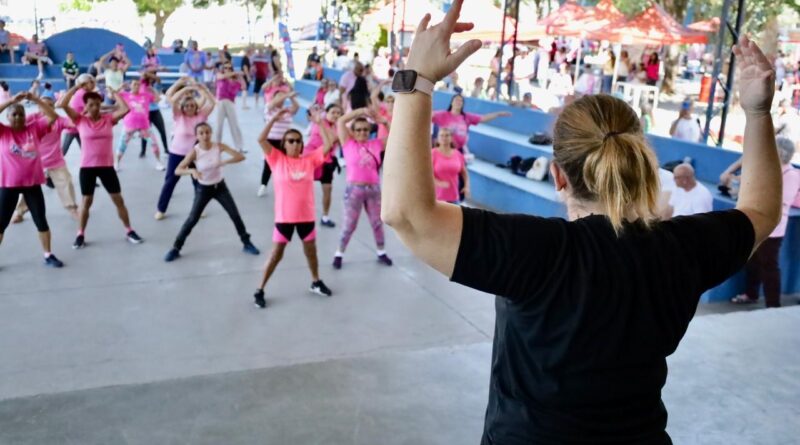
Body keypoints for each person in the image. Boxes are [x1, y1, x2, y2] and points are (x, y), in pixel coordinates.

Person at [381, 6, 781, 442]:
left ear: (559, 176)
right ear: (640, 167)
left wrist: (415, 80)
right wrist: (758, 113)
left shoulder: (537, 252)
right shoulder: (683, 248)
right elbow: (761, 210)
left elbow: (407, 214)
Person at [252, 108, 335, 308]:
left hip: (306, 217)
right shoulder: (277, 159)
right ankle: (260, 289)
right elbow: (261, 139)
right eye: (290, 140)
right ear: (284, 144)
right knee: (276, 255)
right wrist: (273, 118)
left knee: (311, 252)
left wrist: (319, 121)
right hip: (284, 218)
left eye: (298, 140)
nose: (295, 143)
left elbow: (329, 143)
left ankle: (315, 281)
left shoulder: (309, 160)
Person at [60, 85, 144, 249]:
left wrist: (114, 93)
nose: (94, 107)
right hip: (87, 167)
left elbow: (125, 108)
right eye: (90, 104)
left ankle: (129, 230)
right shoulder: (80, 120)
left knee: (118, 200)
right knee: (86, 202)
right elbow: (63, 104)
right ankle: (80, 234)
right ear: (85, 106)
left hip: (106, 167)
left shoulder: (108, 119)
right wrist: (76, 88)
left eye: (97, 104)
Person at [164, 123, 259, 262]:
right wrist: (192, 171)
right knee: (192, 219)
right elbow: (177, 170)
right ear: (197, 136)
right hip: (203, 189)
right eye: (201, 133)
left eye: (207, 132)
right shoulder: (195, 151)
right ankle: (176, 248)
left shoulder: (219, 146)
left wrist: (225, 161)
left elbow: (240, 157)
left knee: (235, 215)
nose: (205, 135)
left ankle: (247, 243)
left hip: (220, 187)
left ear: (211, 133)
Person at [731, 137, 800, 307]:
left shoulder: (791, 175)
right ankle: (751, 294)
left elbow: (781, 200)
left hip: (773, 229)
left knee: (769, 266)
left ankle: (773, 304)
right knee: (752, 262)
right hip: (755, 223)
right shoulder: (769, 169)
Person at [0, 92, 64, 268]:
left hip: (32, 185)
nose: (19, 117)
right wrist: (11, 101)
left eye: (21, 114)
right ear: (8, 117)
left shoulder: (34, 128)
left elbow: (53, 116)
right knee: (1, 223)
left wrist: (35, 100)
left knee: (40, 220)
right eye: (14, 114)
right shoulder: (3, 132)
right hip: (8, 185)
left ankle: (48, 255)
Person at [333, 107, 393, 269]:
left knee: (377, 223)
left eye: (365, 130)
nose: (362, 132)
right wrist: (360, 112)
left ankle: (381, 251)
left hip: (373, 190)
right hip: (354, 190)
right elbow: (341, 121)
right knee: (349, 225)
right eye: (358, 130)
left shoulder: (376, 144)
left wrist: (384, 122)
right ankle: (339, 253)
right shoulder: (347, 143)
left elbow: (395, 138)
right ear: (352, 131)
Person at [12, 94, 79, 223]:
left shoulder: (59, 120)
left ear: (53, 107)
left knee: (66, 183)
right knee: (27, 189)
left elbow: (73, 123)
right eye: (43, 105)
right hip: (34, 162)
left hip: (55, 161)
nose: (46, 108)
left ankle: (72, 209)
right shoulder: (32, 119)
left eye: (50, 105)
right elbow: (17, 128)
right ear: (38, 107)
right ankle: (20, 212)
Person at [155, 78, 216, 220]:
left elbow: (212, 103)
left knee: (198, 182)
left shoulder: (201, 116)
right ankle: (161, 209)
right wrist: (186, 89)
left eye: (192, 105)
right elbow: (173, 100)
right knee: (170, 181)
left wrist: (202, 90)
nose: (189, 108)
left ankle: (199, 208)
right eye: (187, 106)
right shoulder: (178, 116)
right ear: (183, 108)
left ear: (196, 106)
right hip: (176, 153)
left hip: (194, 154)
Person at [431, 94, 510, 155]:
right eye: (456, 100)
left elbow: (483, 118)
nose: (458, 102)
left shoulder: (466, 117)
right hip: (445, 148)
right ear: (451, 102)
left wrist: (498, 114)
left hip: (459, 150)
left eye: (461, 101)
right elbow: (429, 115)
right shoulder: (443, 114)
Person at [258, 77, 298, 197]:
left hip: (284, 141)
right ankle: (263, 185)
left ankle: (287, 185)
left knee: (286, 163)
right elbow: (274, 103)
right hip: (270, 140)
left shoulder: (287, 110)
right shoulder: (269, 108)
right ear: (273, 98)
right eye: (278, 96)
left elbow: (296, 107)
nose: (281, 99)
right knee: (268, 164)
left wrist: (291, 97)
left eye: (282, 97)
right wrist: (286, 94)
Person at [306, 103, 343, 227]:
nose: (336, 115)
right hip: (311, 158)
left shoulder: (338, 126)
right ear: (326, 113)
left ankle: (325, 217)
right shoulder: (319, 123)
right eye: (333, 112)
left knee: (328, 189)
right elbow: (332, 139)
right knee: (303, 187)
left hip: (327, 161)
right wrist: (320, 122)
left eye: (339, 113)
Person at [115, 79, 164, 171]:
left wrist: (152, 90)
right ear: (130, 86)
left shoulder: (146, 95)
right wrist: (120, 87)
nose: (136, 86)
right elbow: (112, 95)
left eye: (138, 84)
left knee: (154, 144)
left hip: (144, 125)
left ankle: (159, 163)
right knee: (122, 144)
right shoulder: (125, 95)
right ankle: (116, 163)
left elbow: (158, 99)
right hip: (129, 124)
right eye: (134, 84)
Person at [214, 62, 246, 153]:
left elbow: (243, 86)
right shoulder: (220, 76)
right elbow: (221, 76)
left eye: (229, 68)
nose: (227, 69)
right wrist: (236, 73)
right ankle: (217, 146)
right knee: (219, 125)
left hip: (230, 103)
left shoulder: (235, 80)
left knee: (234, 125)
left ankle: (239, 146)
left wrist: (240, 76)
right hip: (220, 102)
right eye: (225, 68)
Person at [60, 74, 96, 155]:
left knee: (86, 150)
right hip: (73, 126)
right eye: (91, 82)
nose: (93, 84)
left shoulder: (84, 92)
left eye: (92, 82)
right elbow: (94, 109)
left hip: (79, 126)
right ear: (84, 85)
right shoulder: (83, 94)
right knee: (63, 151)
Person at [432, 127, 468, 204]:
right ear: (437, 138)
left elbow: (464, 172)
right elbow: (426, 175)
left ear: (451, 138)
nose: (444, 138)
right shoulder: (433, 153)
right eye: (441, 135)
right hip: (437, 198)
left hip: (454, 197)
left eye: (447, 135)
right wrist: (438, 183)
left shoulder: (458, 154)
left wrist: (466, 186)